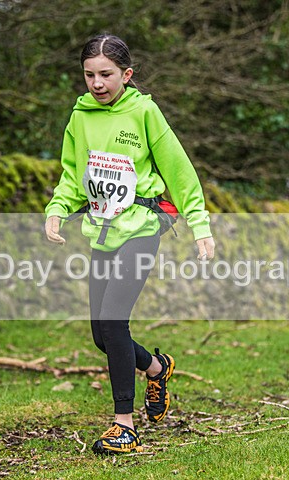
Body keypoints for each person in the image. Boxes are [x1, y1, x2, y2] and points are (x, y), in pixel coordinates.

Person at [44, 34, 215, 454]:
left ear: (126, 74)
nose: (97, 83)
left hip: (141, 228)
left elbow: (179, 170)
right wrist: (57, 208)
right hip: (101, 232)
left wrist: (200, 224)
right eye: (89, 74)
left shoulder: (144, 111)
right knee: (101, 335)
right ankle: (157, 368)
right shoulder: (80, 117)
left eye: (106, 74)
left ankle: (125, 425)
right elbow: (73, 175)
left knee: (115, 321)